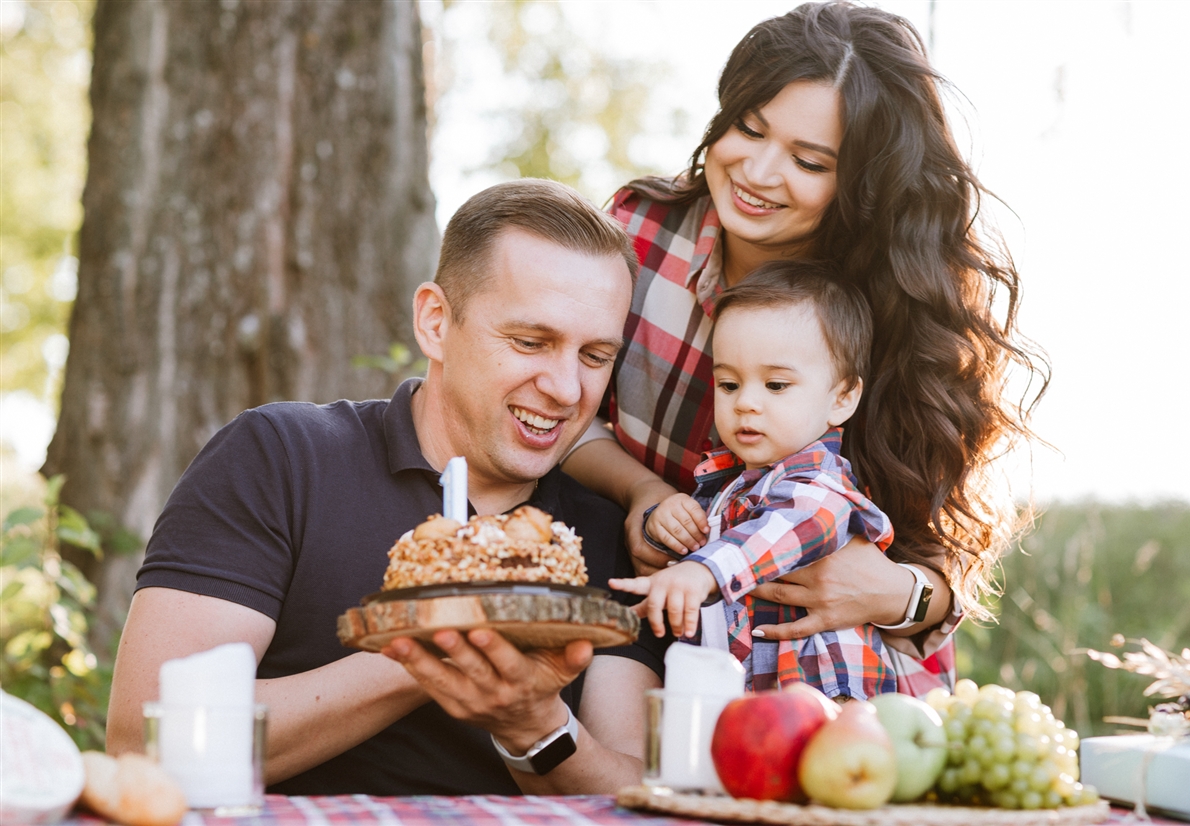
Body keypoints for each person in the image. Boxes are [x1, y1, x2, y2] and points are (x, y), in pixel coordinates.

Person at [106, 179, 668, 796]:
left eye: (594, 356)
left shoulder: (603, 533)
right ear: (434, 322)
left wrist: (535, 724)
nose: (565, 388)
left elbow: (635, 792)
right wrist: (420, 658)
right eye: (530, 342)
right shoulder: (283, 458)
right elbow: (146, 742)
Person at [562, 1, 1047, 697]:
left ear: (861, 184)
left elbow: (942, 574)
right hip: (649, 635)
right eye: (747, 129)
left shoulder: (900, 310)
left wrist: (888, 594)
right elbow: (567, 412)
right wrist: (641, 492)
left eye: (808, 160)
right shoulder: (639, 234)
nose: (758, 171)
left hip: (839, 678)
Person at [611, 262, 898, 699]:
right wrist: (664, 523)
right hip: (749, 706)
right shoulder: (726, 486)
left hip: (827, 706)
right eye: (728, 384)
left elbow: (794, 526)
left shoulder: (820, 485)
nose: (746, 402)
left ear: (842, 398)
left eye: (776, 385)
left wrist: (701, 569)